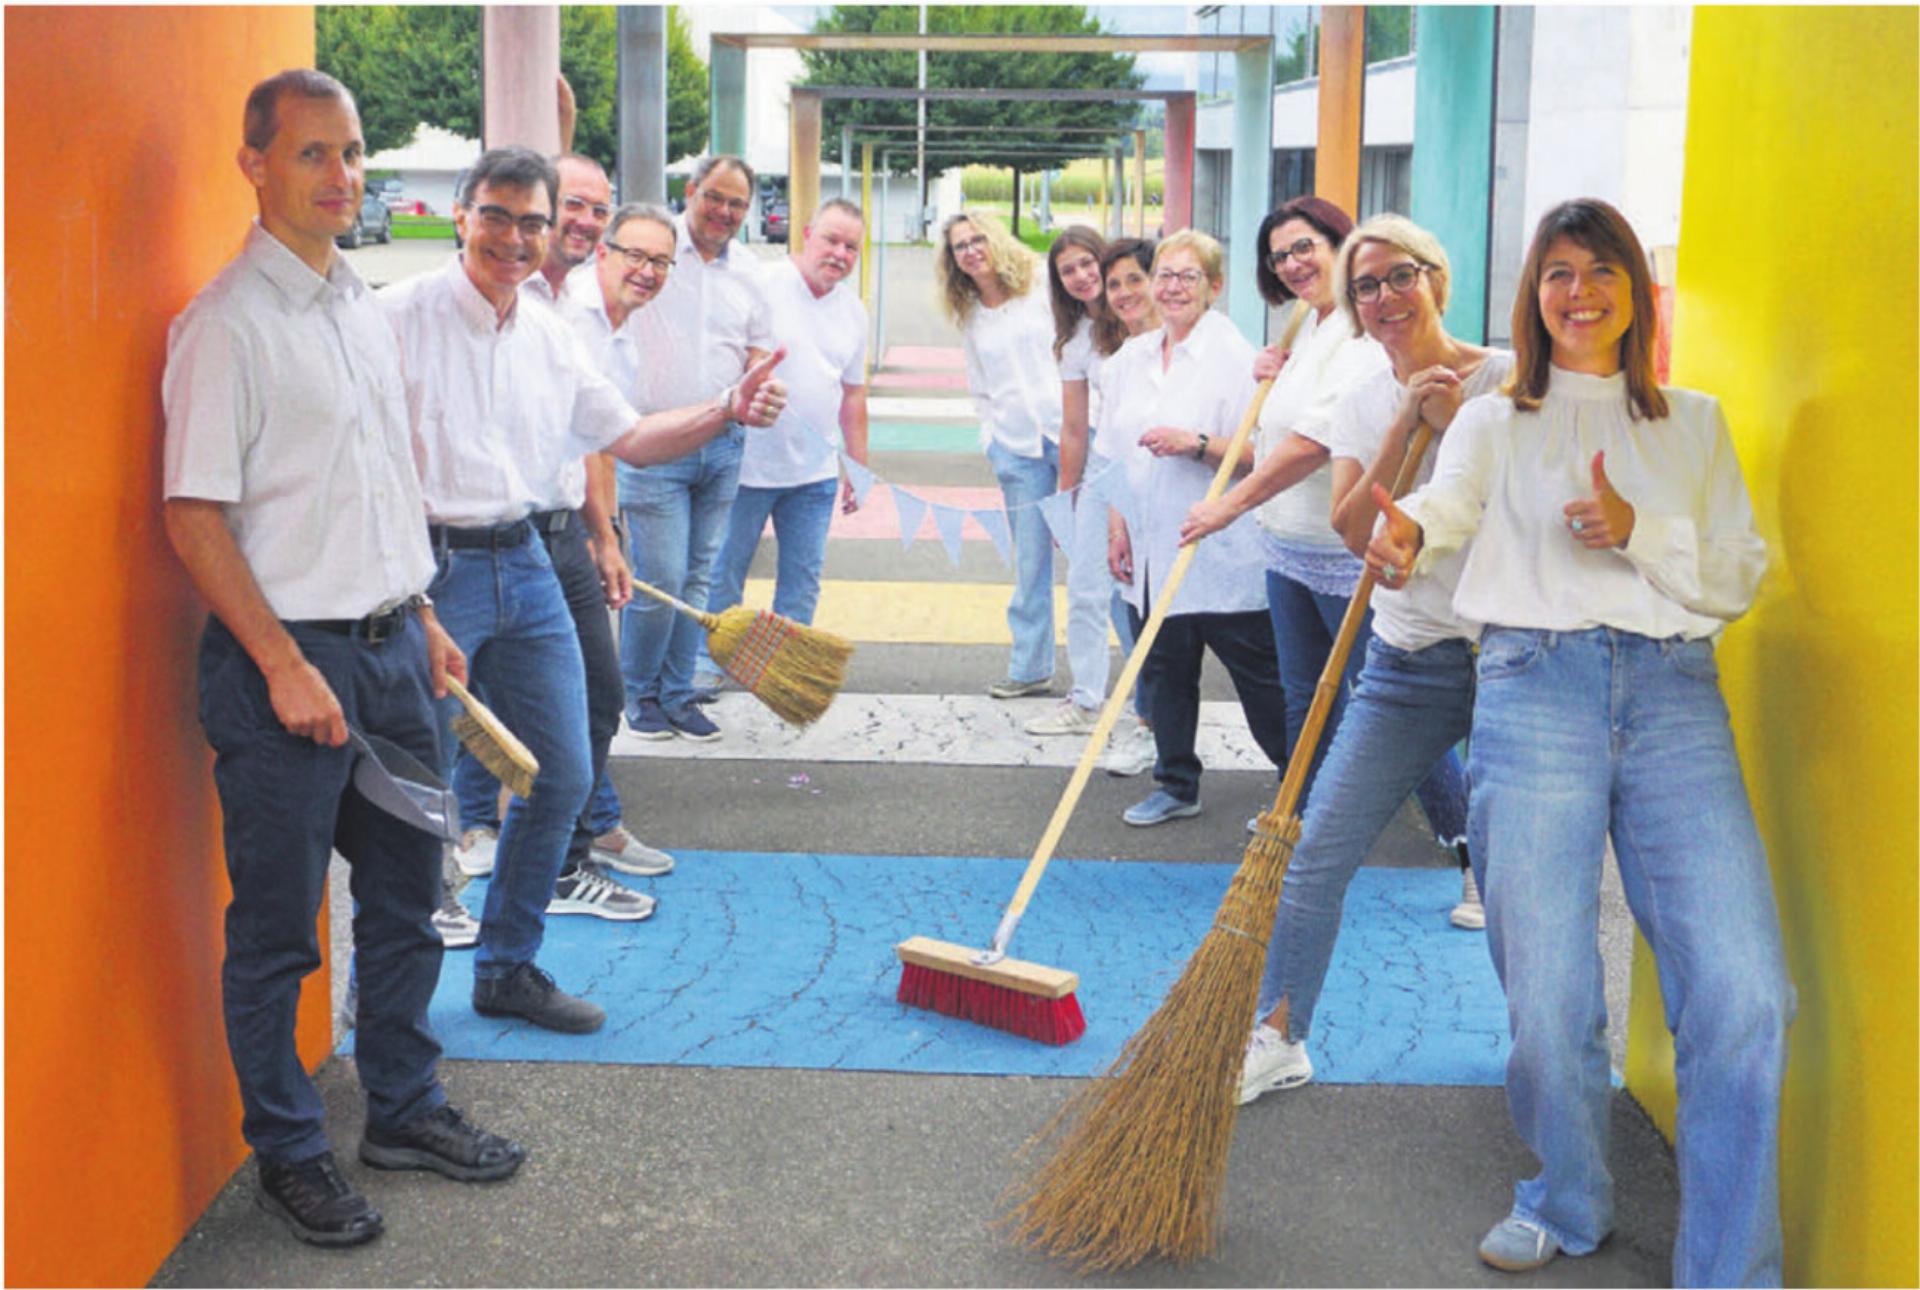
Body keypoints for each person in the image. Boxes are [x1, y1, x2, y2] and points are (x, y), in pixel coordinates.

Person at [1368, 198, 1791, 1283]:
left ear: (1637, 293)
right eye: (1558, 272)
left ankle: (1728, 1266)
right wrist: (1410, 531)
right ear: (1533, 294)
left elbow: (1739, 572)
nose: (1580, 291)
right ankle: (1566, 1195)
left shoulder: (1691, 422)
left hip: (1673, 700)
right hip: (1530, 690)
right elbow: (1448, 507)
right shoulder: (1495, 418)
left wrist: (1637, 532)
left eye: (1602, 269)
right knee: (1550, 1000)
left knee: (1744, 993)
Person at [162, 68, 524, 1249]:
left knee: (410, 902)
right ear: (256, 164)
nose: (341, 176)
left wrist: (417, 613)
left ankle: (405, 1109)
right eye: (312, 154)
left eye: (353, 153)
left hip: (386, 653)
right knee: (277, 934)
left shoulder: (357, 305)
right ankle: (291, 1152)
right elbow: (195, 516)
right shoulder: (226, 325)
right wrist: (280, 663)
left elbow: (377, 482)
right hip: (286, 672)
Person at [380, 146, 786, 1035]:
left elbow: (630, 438)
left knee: (561, 774)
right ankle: (394, 1010)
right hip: (429, 571)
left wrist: (725, 407)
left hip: (525, 561)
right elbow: (360, 466)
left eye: (532, 222)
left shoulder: (548, 332)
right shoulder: (396, 316)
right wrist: (412, 601)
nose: (516, 239)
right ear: (460, 215)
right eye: (498, 215)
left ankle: (506, 967)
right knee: (413, 790)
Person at [1236, 214, 1511, 1108]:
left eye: (1400, 277)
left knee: (1518, 869)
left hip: (1515, 657)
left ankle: (1539, 1044)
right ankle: (1279, 1034)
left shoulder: (1508, 378)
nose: (1385, 297)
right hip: (1408, 661)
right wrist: (1403, 419)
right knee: (1317, 851)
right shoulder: (1362, 396)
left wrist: (1458, 416)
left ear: (1437, 278)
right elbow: (1351, 527)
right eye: (1366, 286)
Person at [450, 155, 676, 904]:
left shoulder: (572, 312)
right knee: (472, 708)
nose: (580, 223)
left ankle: (563, 848)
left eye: (590, 211)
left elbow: (601, 434)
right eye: (571, 207)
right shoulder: (544, 303)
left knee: (579, 708)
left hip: (552, 530)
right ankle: (480, 848)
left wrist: (603, 534)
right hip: (477, 541)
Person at [1179, 198, 1389, 811]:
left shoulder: (1364, 329)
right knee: (1305, 696)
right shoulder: (1315, 325)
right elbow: (1282, 424)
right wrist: (1279, 372)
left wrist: (1228, 508)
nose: (1293, 264)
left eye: (1304, 247)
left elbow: (1313, 444)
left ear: (1340, 244)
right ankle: (1296, 817)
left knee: (1382, 703)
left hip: (1345, 552)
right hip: (1288, 546)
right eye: (1279, 257)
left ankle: (1463, 845)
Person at [1102, 231, 1293, 825]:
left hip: (1221, 551)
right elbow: (1113, 456)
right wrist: (1117, 528)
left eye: (1189, 277)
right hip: (1151, 551)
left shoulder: (1238, 358)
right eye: (1164, 275)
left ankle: (1301, 790)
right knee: (1163, 675)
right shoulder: (1129, 359)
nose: (1173, 287)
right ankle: (1176, 783)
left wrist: (1198, 444)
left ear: (1214, 287)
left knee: (1260, 680)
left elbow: (1268, 454)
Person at [618, 154, 773, 742]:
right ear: (691, 191)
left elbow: (758, 348)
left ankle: (679, 694)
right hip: (653, 442)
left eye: (737, 203)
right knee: (658, 580)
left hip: (724, 444)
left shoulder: (752, 271)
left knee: (698, 580)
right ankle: (640, 694)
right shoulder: (653, 256)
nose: (725, 212)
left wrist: (761, 383)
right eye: (715, 197)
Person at [706, 197, 871, 638]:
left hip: (813, 474)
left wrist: (857, 464)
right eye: (831, 240)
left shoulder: (854, 313)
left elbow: (853, 395)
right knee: (723, 572)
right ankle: (707, 660)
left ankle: (785, 663)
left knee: (801, 581)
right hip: (746, 467)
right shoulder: (764, 285)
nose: (839, 254)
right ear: (806, 236)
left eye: (851, 247)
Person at [937, 210, 1061, 699]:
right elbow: (980, 388)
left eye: (976, 240)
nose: (969, 251)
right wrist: (991, 441)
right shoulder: (972, 318)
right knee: (1030, 561)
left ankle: (1143, 669)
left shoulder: (1041, 290)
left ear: (995, 241)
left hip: (1067, 439)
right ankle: (1031, 667)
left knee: (1098, 557)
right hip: (1016, 452)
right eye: (958, 247)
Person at [1024, 227, 1118, 737]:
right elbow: (1074, 427)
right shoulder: (1074, 338)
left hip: (1156, 463)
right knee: (1085, 587)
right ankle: (1086, 698)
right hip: (1103, 465)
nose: (1082, 276)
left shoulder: (1141, 317)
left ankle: (1153, 704)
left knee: (1142, 593)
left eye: (1087, 263)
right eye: (1068, 270)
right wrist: (1068, 495)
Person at [1085, 238, 1164, 777]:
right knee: (1141, 626)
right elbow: (1111, 454)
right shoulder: (1116, 364)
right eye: (1114, 284)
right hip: (1136, 520)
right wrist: (1117, 528)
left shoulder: (1193, 348)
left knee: (1249, 652)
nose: (1125, 293)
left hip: (1196, 522)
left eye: (1136, 279)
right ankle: (1149, 728)